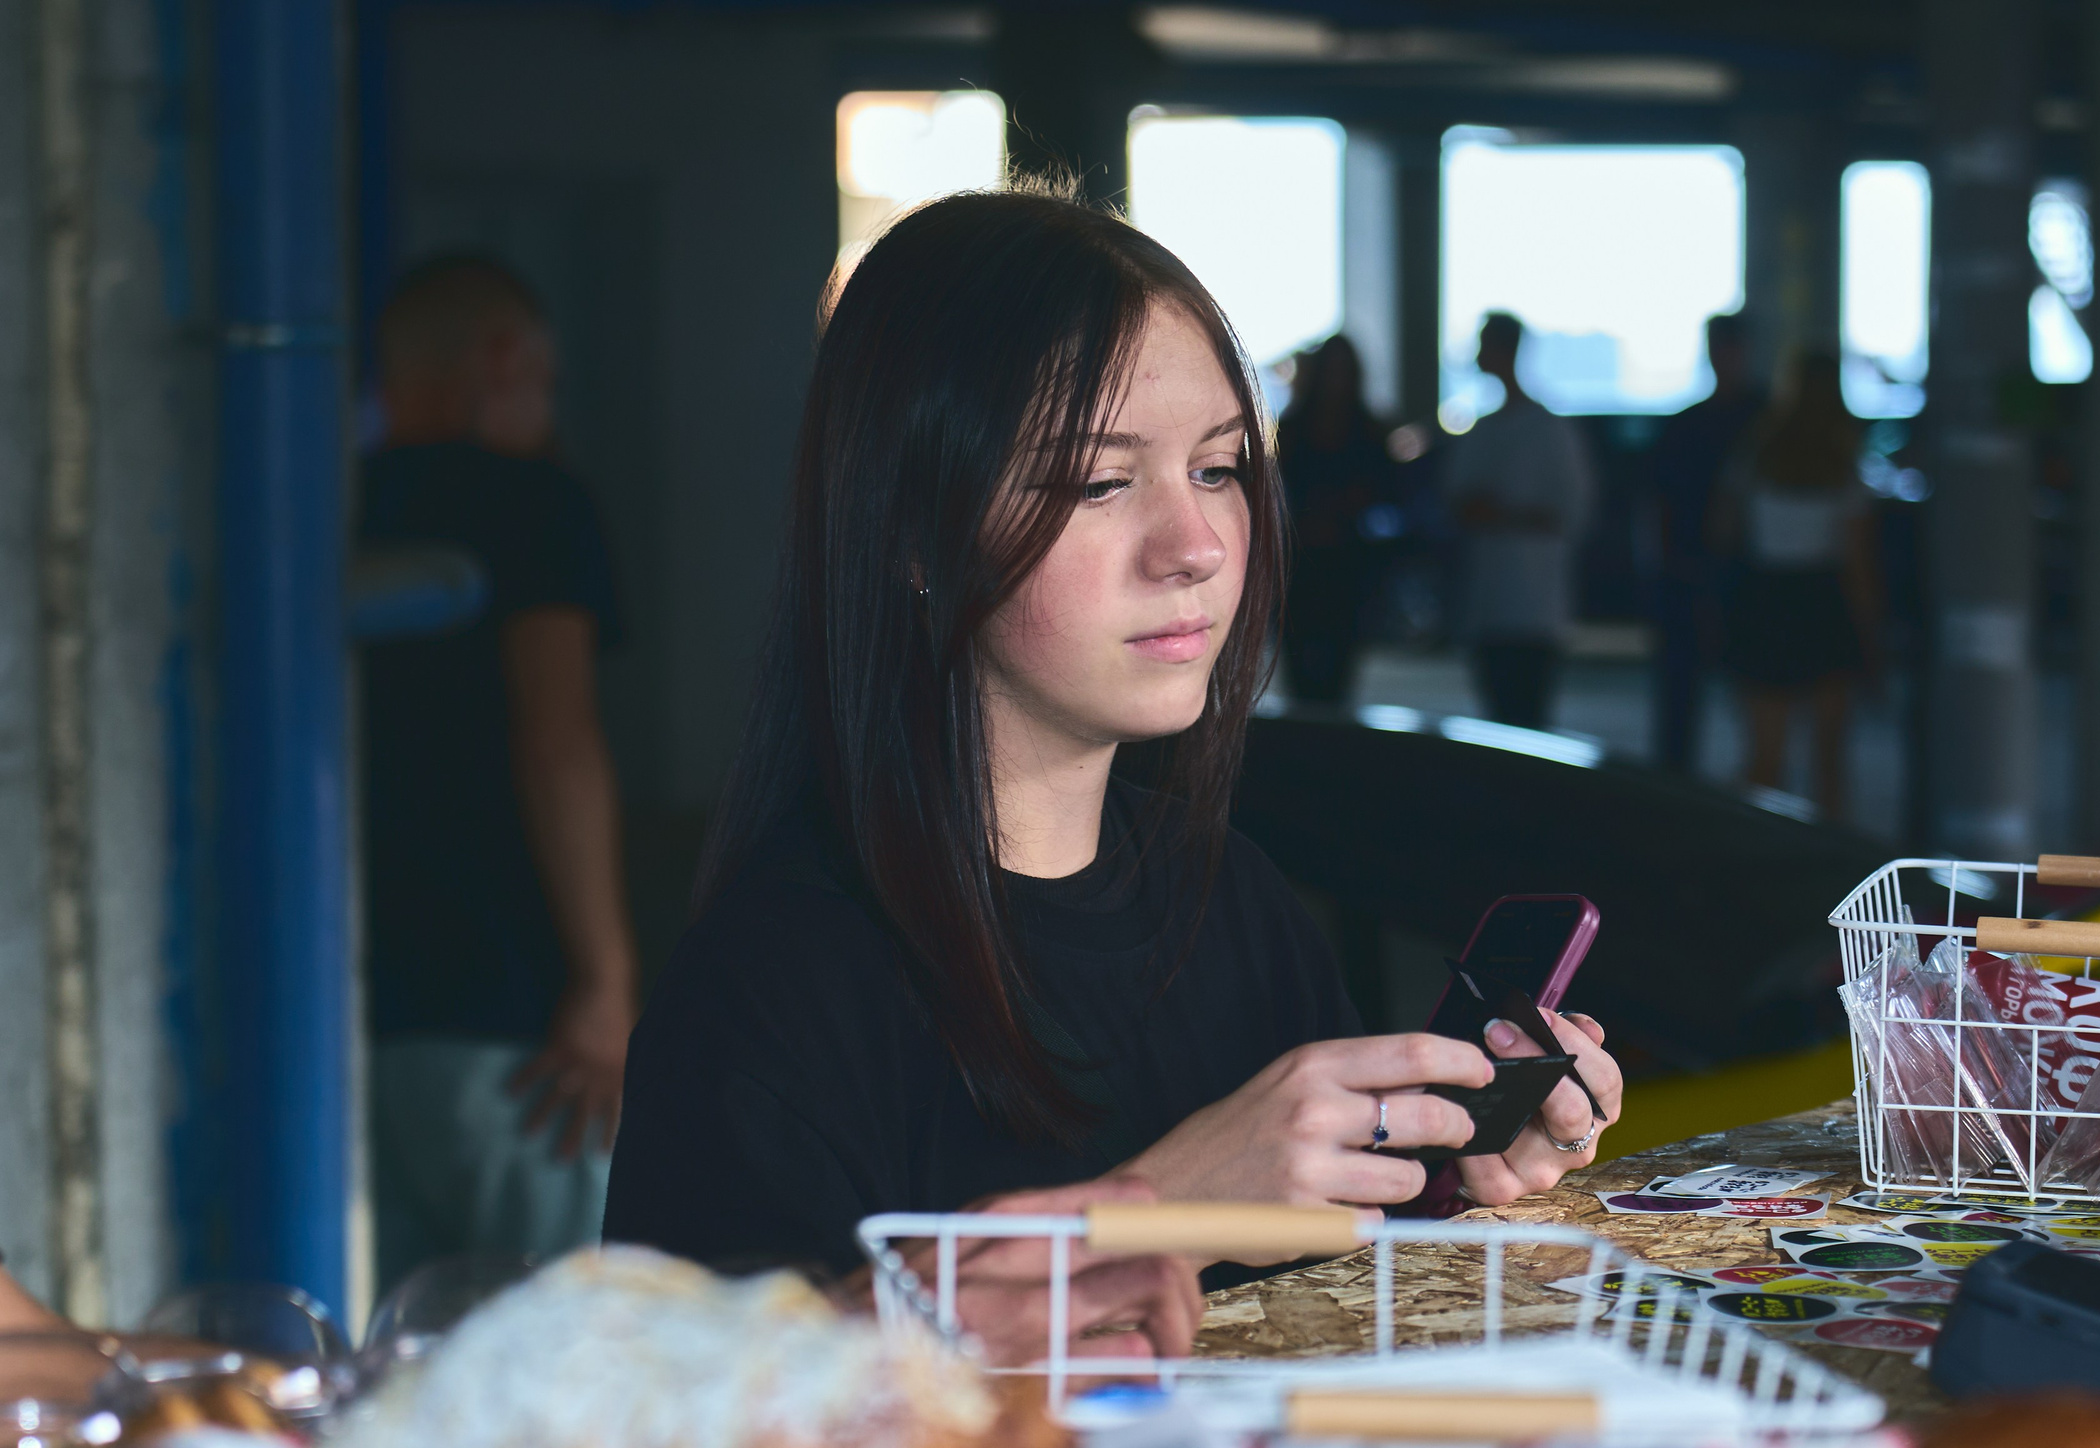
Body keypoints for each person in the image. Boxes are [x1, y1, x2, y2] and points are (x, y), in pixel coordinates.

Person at [602, 192, 1623, 1363]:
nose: (1193, 545)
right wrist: (1160, 1201)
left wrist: (1452, 1165)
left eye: (1221, 468)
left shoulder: (1234, 902)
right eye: (1098, 482)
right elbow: (676, 1434)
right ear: (913, 537)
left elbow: (1319, 1304)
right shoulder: (774, 984)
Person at [360, 256, 639, 1298]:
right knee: (567, 1348)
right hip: (510, 1021)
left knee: (382, 1355)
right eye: (545, 381)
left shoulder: (322, 504)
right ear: (501, 357)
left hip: (347, 1019)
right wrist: (605, 985)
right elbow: (556, 735)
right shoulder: (536, 502)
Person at [1711, 349, 1880, 822]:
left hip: (1765, 599)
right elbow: (1857, 564)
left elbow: (1723, 530)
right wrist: (1870, 634)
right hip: (1822, 602)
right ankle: (1834, 869)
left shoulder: (1757, 453)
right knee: (1830, 761)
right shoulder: (1843, 465)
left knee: (1765, 758)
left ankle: (1757, 858)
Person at [1442, 313, 1594, 730]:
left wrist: (1500, 514)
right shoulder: (1487, 429)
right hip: (1495, 603)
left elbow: (1570, 514)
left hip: (1533, 605)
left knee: (1526, 717)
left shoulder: (1546, 431)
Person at [1648, 314, 1762, 774]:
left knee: (1755, 702)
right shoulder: (1695, 424)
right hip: (1692, 573)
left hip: (1747, 576)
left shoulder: (1760, 419)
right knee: (1681, 700)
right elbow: (1661, 504)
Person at [1275, 334, 1395, 710]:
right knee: (1301, 677)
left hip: (1346, 567)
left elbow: (1386, 496)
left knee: (1338, 677)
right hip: (1302, 566)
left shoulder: (1367, 430)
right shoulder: (1296, 428)